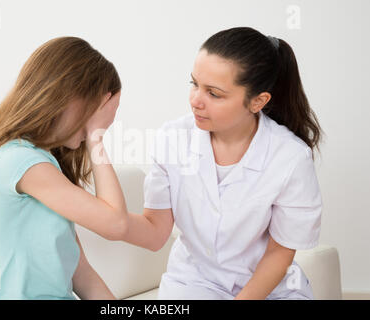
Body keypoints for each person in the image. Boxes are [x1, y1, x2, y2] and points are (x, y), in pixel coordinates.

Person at [121, 27, 323, 300]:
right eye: (194, 84)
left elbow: (280, 252)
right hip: (193, 284)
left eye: (214, 93)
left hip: (271, 290)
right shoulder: (172, 138)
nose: (195, 101)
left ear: (257, 101)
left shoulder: (290, 157)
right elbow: (156, 231)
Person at [0, 37, 128, 300]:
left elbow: (82, 275)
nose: (107, 121)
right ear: (71, 96)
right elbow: (116, 224)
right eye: (103, 110)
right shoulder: (19, 161)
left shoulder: (45, 166)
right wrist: (96, 136)